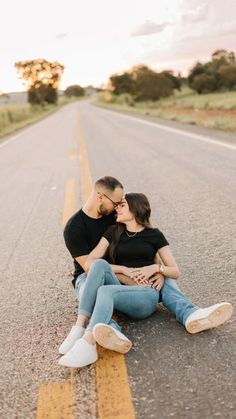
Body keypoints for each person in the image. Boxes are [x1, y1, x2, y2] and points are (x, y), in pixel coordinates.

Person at [59, 193, 233, 368]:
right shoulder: (113, 232)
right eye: (117, 205)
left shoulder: (154, 235)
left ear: (135, 209)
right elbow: (90, 262)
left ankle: (88, 343)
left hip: (144, 294)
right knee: (99, 266)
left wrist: (157, 269)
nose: (117, 208)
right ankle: (91, 329)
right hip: (120, 288)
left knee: (105, 291)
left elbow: (175, 270)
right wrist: (123, 271)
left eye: (122, 205)